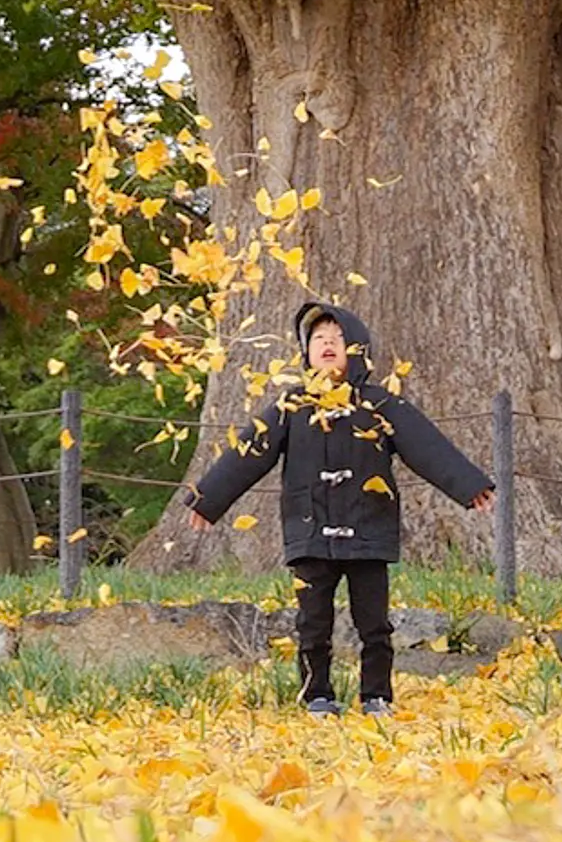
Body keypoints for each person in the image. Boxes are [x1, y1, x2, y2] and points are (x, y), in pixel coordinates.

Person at [184, 299, 494, 715]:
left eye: (338, 338)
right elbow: (249, 453)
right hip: (310, 528)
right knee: (312, 623)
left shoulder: (380, 404)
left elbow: (427, 447)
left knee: (375, 623)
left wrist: (469, 486)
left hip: (369, 528)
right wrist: (208, 500)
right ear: (306, 351)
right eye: (318, 339)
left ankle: (377, 696)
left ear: (358, 349)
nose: (328, 345)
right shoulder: (290, 406)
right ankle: (317, 694)